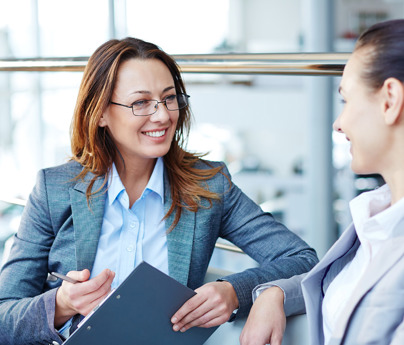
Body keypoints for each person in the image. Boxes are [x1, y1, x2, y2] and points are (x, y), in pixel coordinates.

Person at [0, 37, 318, 345]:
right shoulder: (53, 189)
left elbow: (302, 258)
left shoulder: (209, 187)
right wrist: (61, 305)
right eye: (141, 102)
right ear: (99, 114)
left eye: (169, 98)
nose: (163, 115)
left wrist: (238, 291)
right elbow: (4, 318)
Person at [240, 19, 404, 345]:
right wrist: (277, 293)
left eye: (346, 100)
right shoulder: (377, 216)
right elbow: (346, 285)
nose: (338, 124)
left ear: (390, 100)